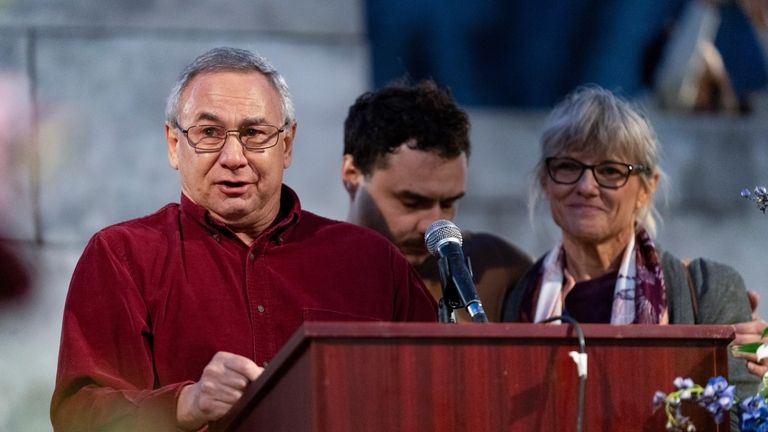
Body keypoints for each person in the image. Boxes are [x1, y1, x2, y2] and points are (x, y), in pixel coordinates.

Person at [50, 47, 437, 431]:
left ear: (286, 146)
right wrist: (186, 404)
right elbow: (80, 416)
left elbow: (439, 391)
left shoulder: (370, 261)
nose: (233, 156)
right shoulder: (123, 256)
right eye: (209, 133)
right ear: (173, 144)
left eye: (254, 133)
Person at [500, 86, 759, 402]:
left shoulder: (708, 291)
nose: (586, 187)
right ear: (545, 180)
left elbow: (737, 418)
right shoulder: (516, 299)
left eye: (610, 171)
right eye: (567, 166)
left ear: (647, 188)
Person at [342, 79, 532, 322]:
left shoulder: (500, 268)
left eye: (448, 203)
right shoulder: (308, 270)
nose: (433, 224)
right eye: (412, 202)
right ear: (352, 174)